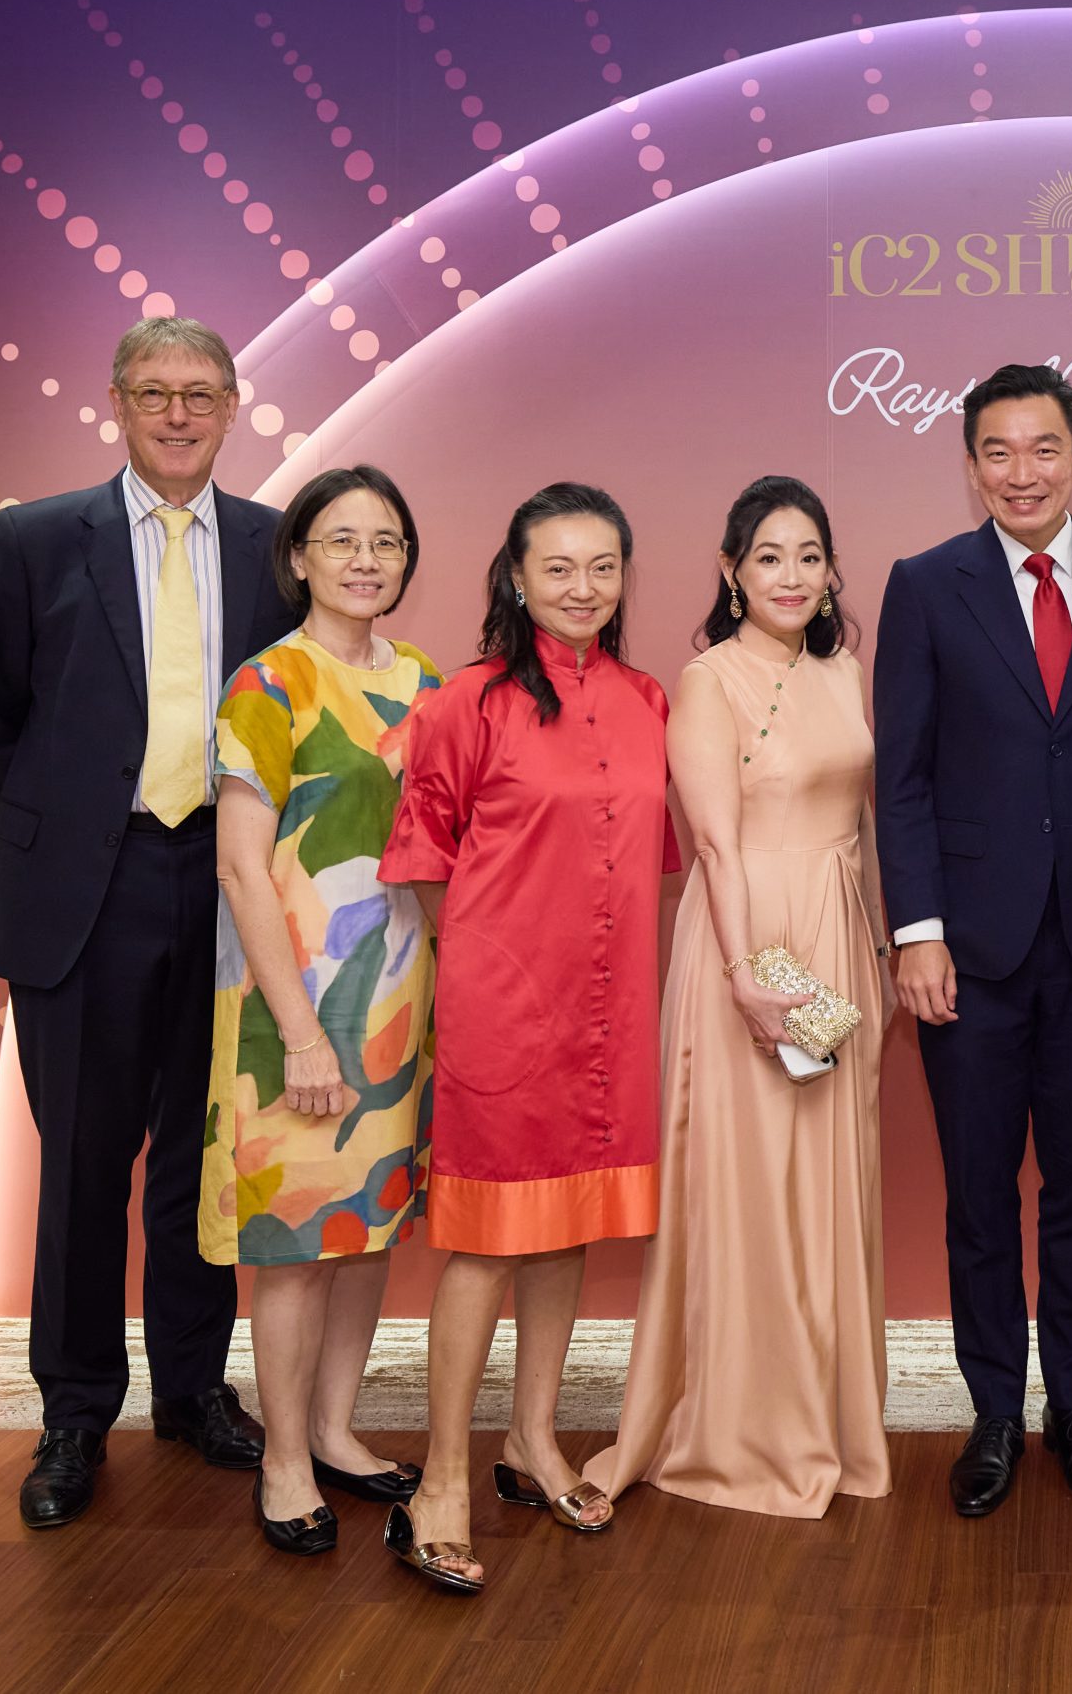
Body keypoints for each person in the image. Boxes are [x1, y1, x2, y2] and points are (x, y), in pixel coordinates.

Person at [0, 316, 296, 1528]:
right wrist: (70, 833)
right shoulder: (38, 537)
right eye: (155, 391)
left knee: (206, 1160)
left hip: (226, 886)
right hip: (85, 900)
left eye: (202, 393)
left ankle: (196, 1391)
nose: (179, 413)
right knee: (86, 1162)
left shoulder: (272, 549)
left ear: (234, 405)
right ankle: (75, 1409)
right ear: (115, 402)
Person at [874, 363, 1072, 1516]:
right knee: (977, 1194)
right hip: (970, 950)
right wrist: (916, 932)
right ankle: (994, 1411)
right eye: (997, 452)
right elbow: (899, 780)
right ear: (969, 466)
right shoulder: (926, 586)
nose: (1021, 472)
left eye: (1042, 449)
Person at [377, 482, 673, 1592]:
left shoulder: (649, 699)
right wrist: (483, 978)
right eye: (558, 567)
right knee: (487, 1242)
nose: (582, 588)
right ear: (515, 575)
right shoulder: (466, 702)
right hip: (505, 1012)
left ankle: (532, 1439)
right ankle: (440, 1480)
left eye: (602, 567)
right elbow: (422, 866)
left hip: (611, 1008)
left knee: (569, 1228)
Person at [582, 477, 892, 1518]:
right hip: (751, 943)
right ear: (730, 570)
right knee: (757, 1185)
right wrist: (752, 975)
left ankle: (830, 1421)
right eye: (769, 556)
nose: (792, 576)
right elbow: (711, 840)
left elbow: (860, 823)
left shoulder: (845, 669)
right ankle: (746, 1429)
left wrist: (879, 954)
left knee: (828, 1186)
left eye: (810, 555)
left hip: (838, 942)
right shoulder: (707, 678)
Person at [205, 465, 441, 1554]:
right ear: (298, 556)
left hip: (399, 998)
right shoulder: (267, 683)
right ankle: (285, 1455)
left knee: (365, 1225)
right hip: (287, 1007)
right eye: (339, 538)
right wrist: (300, 1032)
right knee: (295, 1243)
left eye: (384, 540)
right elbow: (243, 871)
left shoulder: (428, 683)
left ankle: (338, 1431)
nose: (363, 558)